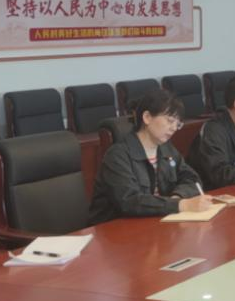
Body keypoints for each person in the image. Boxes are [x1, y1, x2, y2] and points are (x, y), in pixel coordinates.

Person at [88, 90, 215, 224]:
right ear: (147, 117)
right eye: (170, 121)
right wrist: (180, 205)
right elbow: (130, 201)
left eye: (178, 124)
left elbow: (192, 179)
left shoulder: (166, 149)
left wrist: (178, 197)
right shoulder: (117, 156)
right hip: (115, 229)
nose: (174, 128)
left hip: (154, 222)